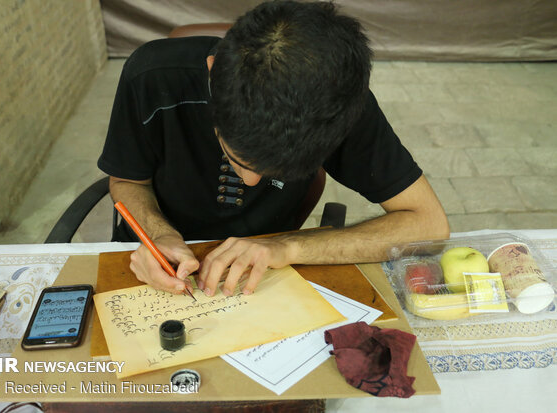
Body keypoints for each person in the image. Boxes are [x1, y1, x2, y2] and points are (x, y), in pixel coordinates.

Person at [98, 1, 449, 298]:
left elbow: (428, 225)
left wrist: (288, 246)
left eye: (275, 173)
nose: (252, 183)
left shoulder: (342, 105)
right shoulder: (151, 76)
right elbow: (128, 180)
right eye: (237, 158)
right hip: (151, 260)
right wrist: (159, 233)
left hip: (265, 273)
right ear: (212, 74)